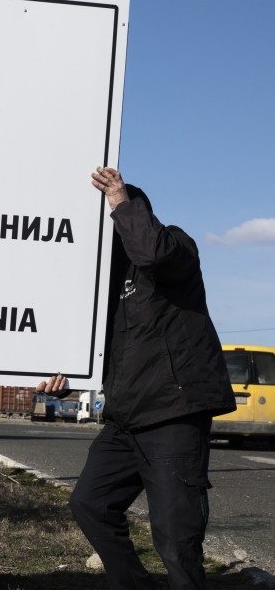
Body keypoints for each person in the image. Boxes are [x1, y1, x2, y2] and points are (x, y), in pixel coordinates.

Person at [38, 166, 235, 590]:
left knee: (176, 540)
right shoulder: (101, 286)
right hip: (125, 421)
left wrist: (120, 201)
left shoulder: (175, 248)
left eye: (112, 218)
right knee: (90, 502)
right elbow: (105, 354)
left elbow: (152, 251)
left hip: (172, 415)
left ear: (135, 212)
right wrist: (67, 378)